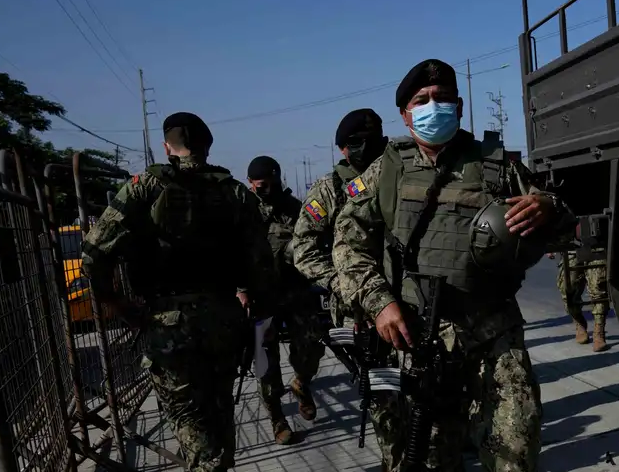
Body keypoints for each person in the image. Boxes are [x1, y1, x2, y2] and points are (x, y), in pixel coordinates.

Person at [332, 58, 569, 471]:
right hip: (422, 338)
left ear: (459, 106)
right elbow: (347, 245)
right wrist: (378, 302)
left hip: (493, 330)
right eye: (421, 100)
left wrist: (548, 209)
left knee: (517, 448)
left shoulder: (497, 164)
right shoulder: (385, 170)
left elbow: (564, 227)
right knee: (432, 455)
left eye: (442, 98)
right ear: (406, 116)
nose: (432, 106)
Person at [80, 112, 273, 472]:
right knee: (219, 413)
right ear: (208, 144)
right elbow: (261, 264)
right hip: (223, 319)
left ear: (168, 147)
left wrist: (116, 303)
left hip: (168, 323)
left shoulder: (143, 187)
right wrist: (251, 303)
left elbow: (93, 254)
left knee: (191, 426)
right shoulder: (233, 191)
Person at [246, 155, 327, 445]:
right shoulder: (244, 212)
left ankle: (302, 383)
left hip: (296, 291)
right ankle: (277, 418)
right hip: (261, 298)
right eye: (261, 184)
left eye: (272, 182)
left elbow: (312, 241)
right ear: (250, 183)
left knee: (311, 346)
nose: (267, 188)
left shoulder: (294, 208)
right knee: (266, 361)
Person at [290, 108, 388, 329]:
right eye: (355, 143)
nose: (364, 148)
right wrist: (341, 281)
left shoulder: (398, 178)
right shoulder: (328, 190)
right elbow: (304, 251)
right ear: (342, 149)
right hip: (355, 312)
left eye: (370, 141)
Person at [550, 250, 610, 352]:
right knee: (567, 288)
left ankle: (599, 331)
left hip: (595, 245)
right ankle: (578, 320)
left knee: (598, 287)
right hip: (571, 246)